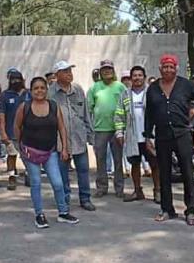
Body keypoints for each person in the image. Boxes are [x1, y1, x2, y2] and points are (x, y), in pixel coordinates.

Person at [144, 54, 194, 224]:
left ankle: (190, 211)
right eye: (165, 67)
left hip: (182, 134)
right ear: (160, 69)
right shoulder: (153, 88)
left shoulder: (185, 85)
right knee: (164, 173)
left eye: (171, 67)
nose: (168, 70)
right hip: (161, 136)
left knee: (187, 172)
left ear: (176, 68)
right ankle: (167, 209)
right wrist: (147, 136)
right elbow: (149, 114)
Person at [13, 76, 79, 229]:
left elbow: (61, 127)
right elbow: (16, 127)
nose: (39, 91)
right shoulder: (25, 107)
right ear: (31, 90)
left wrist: (65, 148)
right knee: (36, 183)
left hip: (50, 152)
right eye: (36, 88)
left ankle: (63, 212)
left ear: (46, 89)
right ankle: (39, 215)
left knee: (57, 182)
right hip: (31, 152)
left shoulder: (54, 106)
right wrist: (21, 146)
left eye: (42, 88)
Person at [50, 60, 96, 212]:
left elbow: (85, 113)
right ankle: (65, 200)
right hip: (59, 141)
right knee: (62, 172)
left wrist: (90, 134)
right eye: (65, 71)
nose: (69, 74)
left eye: (70, 70)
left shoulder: (78, 89)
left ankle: (85, 199)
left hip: (79, 138)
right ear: (57, 75)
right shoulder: (51, 93)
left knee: (83, 170)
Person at [116, 65, 157, 202]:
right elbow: (119, 115)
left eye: (140, 75)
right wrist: (119, 133)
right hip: (133, 136)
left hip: (150, 137)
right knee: (135, 164)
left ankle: (158, 191)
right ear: (131, 78)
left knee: (155, 164)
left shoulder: (152, 92)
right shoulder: (125, 94)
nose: (137, 78)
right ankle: (137, 191)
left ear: (144, 77)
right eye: (135, 75)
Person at [87, 60, 126, 198]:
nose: (106, 71)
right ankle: (102, 188)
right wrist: (89, 129)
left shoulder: (120, 87)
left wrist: (124, 128)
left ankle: (119, 188)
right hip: (99, 129)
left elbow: (126, 107)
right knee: (100, 159)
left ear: (113, 71)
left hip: (117, 129)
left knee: (118, 160)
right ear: (100, 72)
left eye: (109, 69)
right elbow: (88, 109)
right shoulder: (94, 88)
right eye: (104, 69)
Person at [0, 68, 28, 189]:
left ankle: (28, 175)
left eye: (18, 79)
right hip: (10, 133)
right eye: (13, 79)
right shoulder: (5, 95)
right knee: (11, 155)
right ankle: (11, 177)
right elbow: (1, 115)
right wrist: (3, 133)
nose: (16, 81)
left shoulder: (28, 94)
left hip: (27, 133)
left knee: (28, 156)